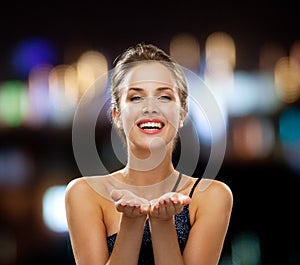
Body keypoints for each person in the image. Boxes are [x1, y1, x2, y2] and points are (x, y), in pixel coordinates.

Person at [65, 43, 233, 265]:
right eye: (136, 98)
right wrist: (131, 222)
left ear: (182, 113)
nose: (150, 107)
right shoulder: (84, 193)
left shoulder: (211, 196)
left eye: (164, 97)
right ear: (116, 114)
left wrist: (163, 222)